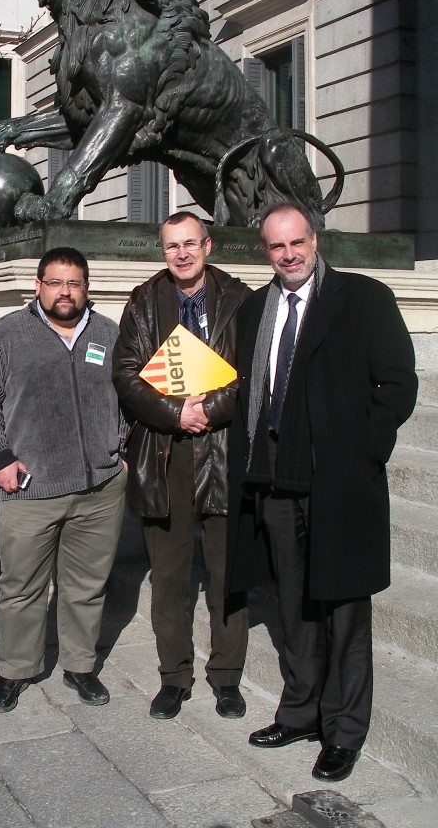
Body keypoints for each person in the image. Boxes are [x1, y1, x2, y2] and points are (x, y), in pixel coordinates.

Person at [227, 201, 418, 783]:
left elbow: (398, 383)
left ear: (316, 239)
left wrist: (365, 449)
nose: (288, 255)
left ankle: (343, 730)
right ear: (267, 250)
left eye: (297, 243)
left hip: (340, 485)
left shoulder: (363, 298)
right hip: (276, 483)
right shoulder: (257, 306)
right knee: (293, 608)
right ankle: (301, 711)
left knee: (344, 612)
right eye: (277, 246)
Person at [0, 247, 126, 714]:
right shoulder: (8, 333)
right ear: (38, 286)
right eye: (55, 282)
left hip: (99, 486)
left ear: (86, 287)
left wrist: (121, 449)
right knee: (21, 587)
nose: (65, 292)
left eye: (74, 283)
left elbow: (130, 395)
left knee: (87, 585)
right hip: (31, 487)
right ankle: (16, 670)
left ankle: (79, 665)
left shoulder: (107, 333)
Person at [112, 212, 250, 720]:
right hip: (163, 452)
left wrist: (207, 411)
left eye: (191, 243)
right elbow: (125, 375)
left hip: (224, 452)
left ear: (208, 245)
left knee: (225, 576)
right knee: (169, 578)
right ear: (163, 251)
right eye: (173, 246)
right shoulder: (143, 301)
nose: (183, 254)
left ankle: (226, 678)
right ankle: (174, 677)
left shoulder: (239, 299)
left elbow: (252, 374)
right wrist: (177, 413)